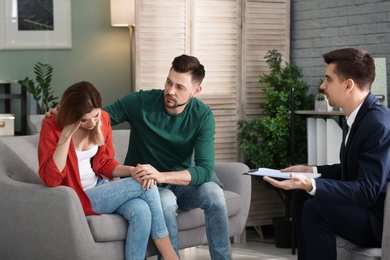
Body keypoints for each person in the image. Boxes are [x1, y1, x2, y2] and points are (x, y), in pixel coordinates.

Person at [263, 48, 390, 259]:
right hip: (361, 208)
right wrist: (310, 171)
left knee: (316, 208)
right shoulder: (358, 116)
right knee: (302, 198)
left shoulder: (377, 124)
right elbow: (353, 169)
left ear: (348, 85)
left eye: (328, 79)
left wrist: (311, 184)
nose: (322, 86)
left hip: (375, 220)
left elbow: (367, 190)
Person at [103, 54, 231, 259]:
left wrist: (162, 176)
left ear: (196, 91)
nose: (170, 91)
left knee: (215, 194)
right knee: (167, 201)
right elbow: (97, 118)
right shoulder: (141, 102)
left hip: (177, 183)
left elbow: (205, 169)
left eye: (180, 87)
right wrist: (62, 115)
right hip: (145, 186)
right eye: (169, 82)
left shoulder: (203, 115)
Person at [38, 81, 178, 260]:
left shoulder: (103, 119)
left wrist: (134, 170)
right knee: (146, 185)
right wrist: (66, 134)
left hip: (99, 187)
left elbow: (104, 164)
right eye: (83, 119)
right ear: (72, 114)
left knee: (141, 209)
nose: (91, 123)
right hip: (76, 197)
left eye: (95, 116)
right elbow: (51, 180)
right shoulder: (53, 125)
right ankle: (170, 255)